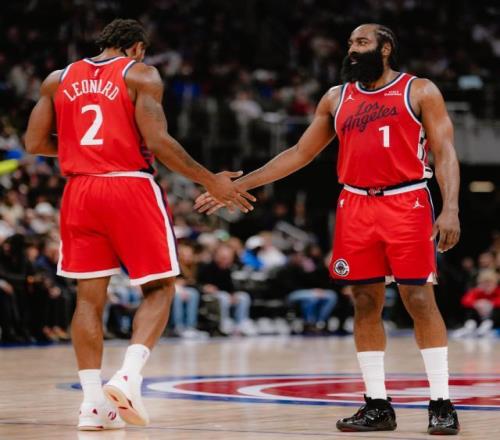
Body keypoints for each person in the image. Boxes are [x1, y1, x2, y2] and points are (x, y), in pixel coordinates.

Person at [195, 24, 461, 435]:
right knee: (364, 302)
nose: (352, 49)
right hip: (355, 203)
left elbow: (444, 153)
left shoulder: (420, 90)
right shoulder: (337, 98)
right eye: (350, 43)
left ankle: (441, 402)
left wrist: (451, 207)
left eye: (362, 42)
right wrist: (237, 185)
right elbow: (299, 153)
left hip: (406, 199)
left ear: (385, 48)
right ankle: (377, 404)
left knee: (419, 299)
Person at [25, 18, 255, 431]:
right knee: (160, 288)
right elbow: (160, 142)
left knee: (88, 300)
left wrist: (82, 146)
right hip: (128, 185)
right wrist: (210, 180)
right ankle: (129, 376)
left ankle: (92, 405)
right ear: (136, 48)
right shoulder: (141, 74)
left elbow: (34, 142)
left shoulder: (57, 79)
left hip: (79, 191)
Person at [454, 269, 500, 337]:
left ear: (495, 283)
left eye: (490, 283)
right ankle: (469, 326)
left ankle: (487, 327)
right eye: (484, 283)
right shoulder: (477, 291)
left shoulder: (498, 291)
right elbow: (465, 300)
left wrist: (490, 304)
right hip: (478, 319)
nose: (487, 285)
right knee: (470, 310)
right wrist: (476, 304)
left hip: (493, 320)